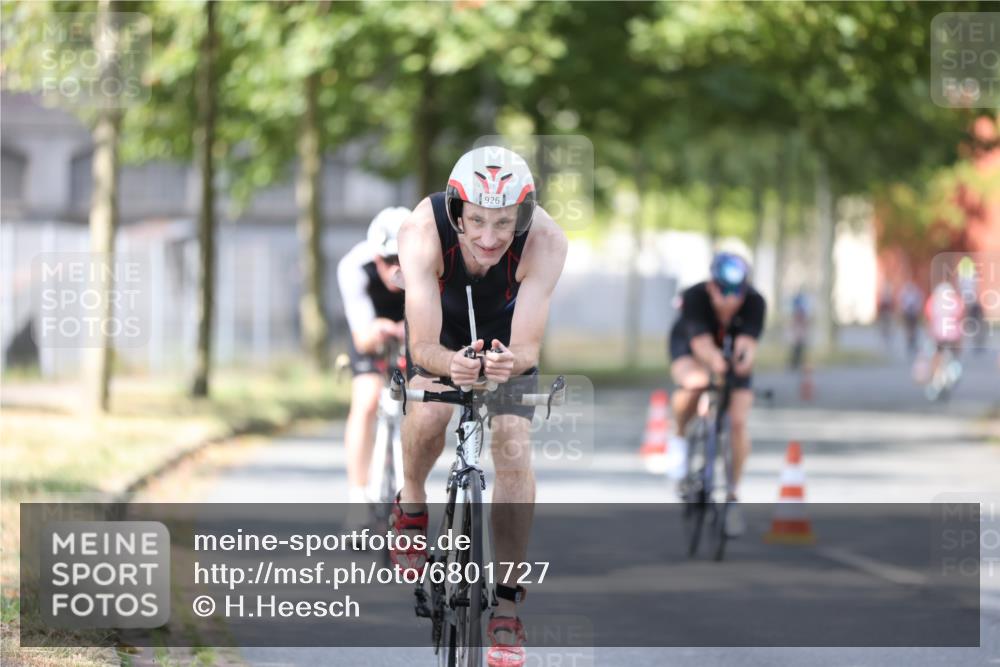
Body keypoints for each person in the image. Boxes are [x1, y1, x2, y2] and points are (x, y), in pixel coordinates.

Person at [394, 146, 567, 667]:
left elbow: (530, 349)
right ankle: (410, 505)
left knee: (513, 447)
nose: (490, 238)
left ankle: (508, 610)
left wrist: (502, 365)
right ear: (455, 212)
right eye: (476, 222)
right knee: (429, 412)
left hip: (507, 341)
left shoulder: (547, 241)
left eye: (504, 223)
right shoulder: (421, 232)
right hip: (440, 334)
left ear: (524, 215)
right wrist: (452, 364)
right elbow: (421, 345)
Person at [668, 252, 767, 537]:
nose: (731, 301)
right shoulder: (695, 297)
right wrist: (716, 365)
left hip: (729, 350)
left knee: (737, 421)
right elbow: (701, 345)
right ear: (711, 286)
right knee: (695, 382)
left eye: (737, 293)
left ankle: (732, 496)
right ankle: (679, 439)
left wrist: (742, 360)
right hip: (691, 345)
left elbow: (748, 346)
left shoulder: (755, 302)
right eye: (724, 292)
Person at [336, 207, 409, 531]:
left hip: (414, 324)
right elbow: (362, 337)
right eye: (388, 260)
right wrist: (378, 330)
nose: (395, 268)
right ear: (375, 256)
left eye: (402, 259)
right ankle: (358, 498)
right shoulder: (354, 266)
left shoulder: (432, 262)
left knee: (421, 406)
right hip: (372, 326)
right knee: (366, 400)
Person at [924, 278, 965, 386]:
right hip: (954, 335)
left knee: (937, 355)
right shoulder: (955, 301)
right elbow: (960, 315)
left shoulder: (934, 301)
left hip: (938, 334)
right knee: (955, 354)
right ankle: (954, 370)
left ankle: (934, 377)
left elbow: (929, 316)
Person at [899, 280, 923, 357]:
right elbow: (902, 303)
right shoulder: (905, 293)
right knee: (909, 329)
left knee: (913, 329)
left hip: (913, 314)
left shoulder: (915, 294)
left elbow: (919, 302)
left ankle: (912, 341)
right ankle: (909, 342)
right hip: (908, 313)